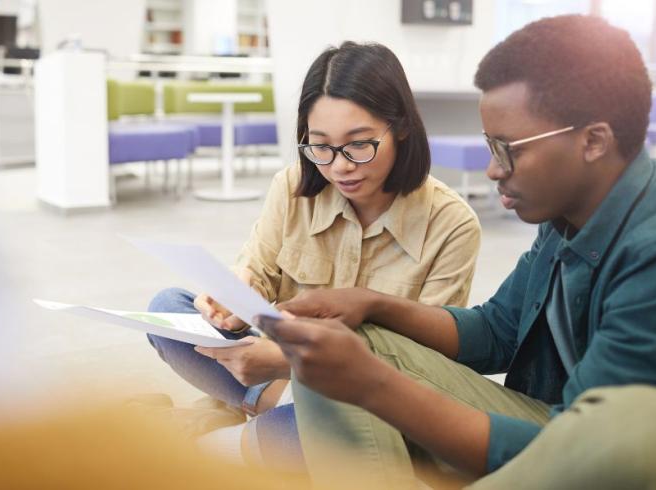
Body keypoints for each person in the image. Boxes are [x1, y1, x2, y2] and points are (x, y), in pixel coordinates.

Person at [257, 15, 656, 489]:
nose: (492, 170)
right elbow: (497, 331)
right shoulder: (570, 214)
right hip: (562, 427)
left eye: (508, 149)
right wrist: (371, 303)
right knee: (353, 337)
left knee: (355, 375)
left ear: (593, 141)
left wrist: (373, 386)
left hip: (602, 457)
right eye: (490, 146)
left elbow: (599, 462)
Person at [146, 41, 481, 470]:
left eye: (358, 145)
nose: (339, 166)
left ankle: (226, 421)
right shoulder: (291, 187)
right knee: (167, 310)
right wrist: (231, 295)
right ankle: (264, 414)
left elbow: (427, 365)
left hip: (365, 400)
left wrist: (289, 362)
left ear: (400, 128)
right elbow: (257, 271)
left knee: (339, 438)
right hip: (269, 368)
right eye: (319, 146)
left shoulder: (451, 224)